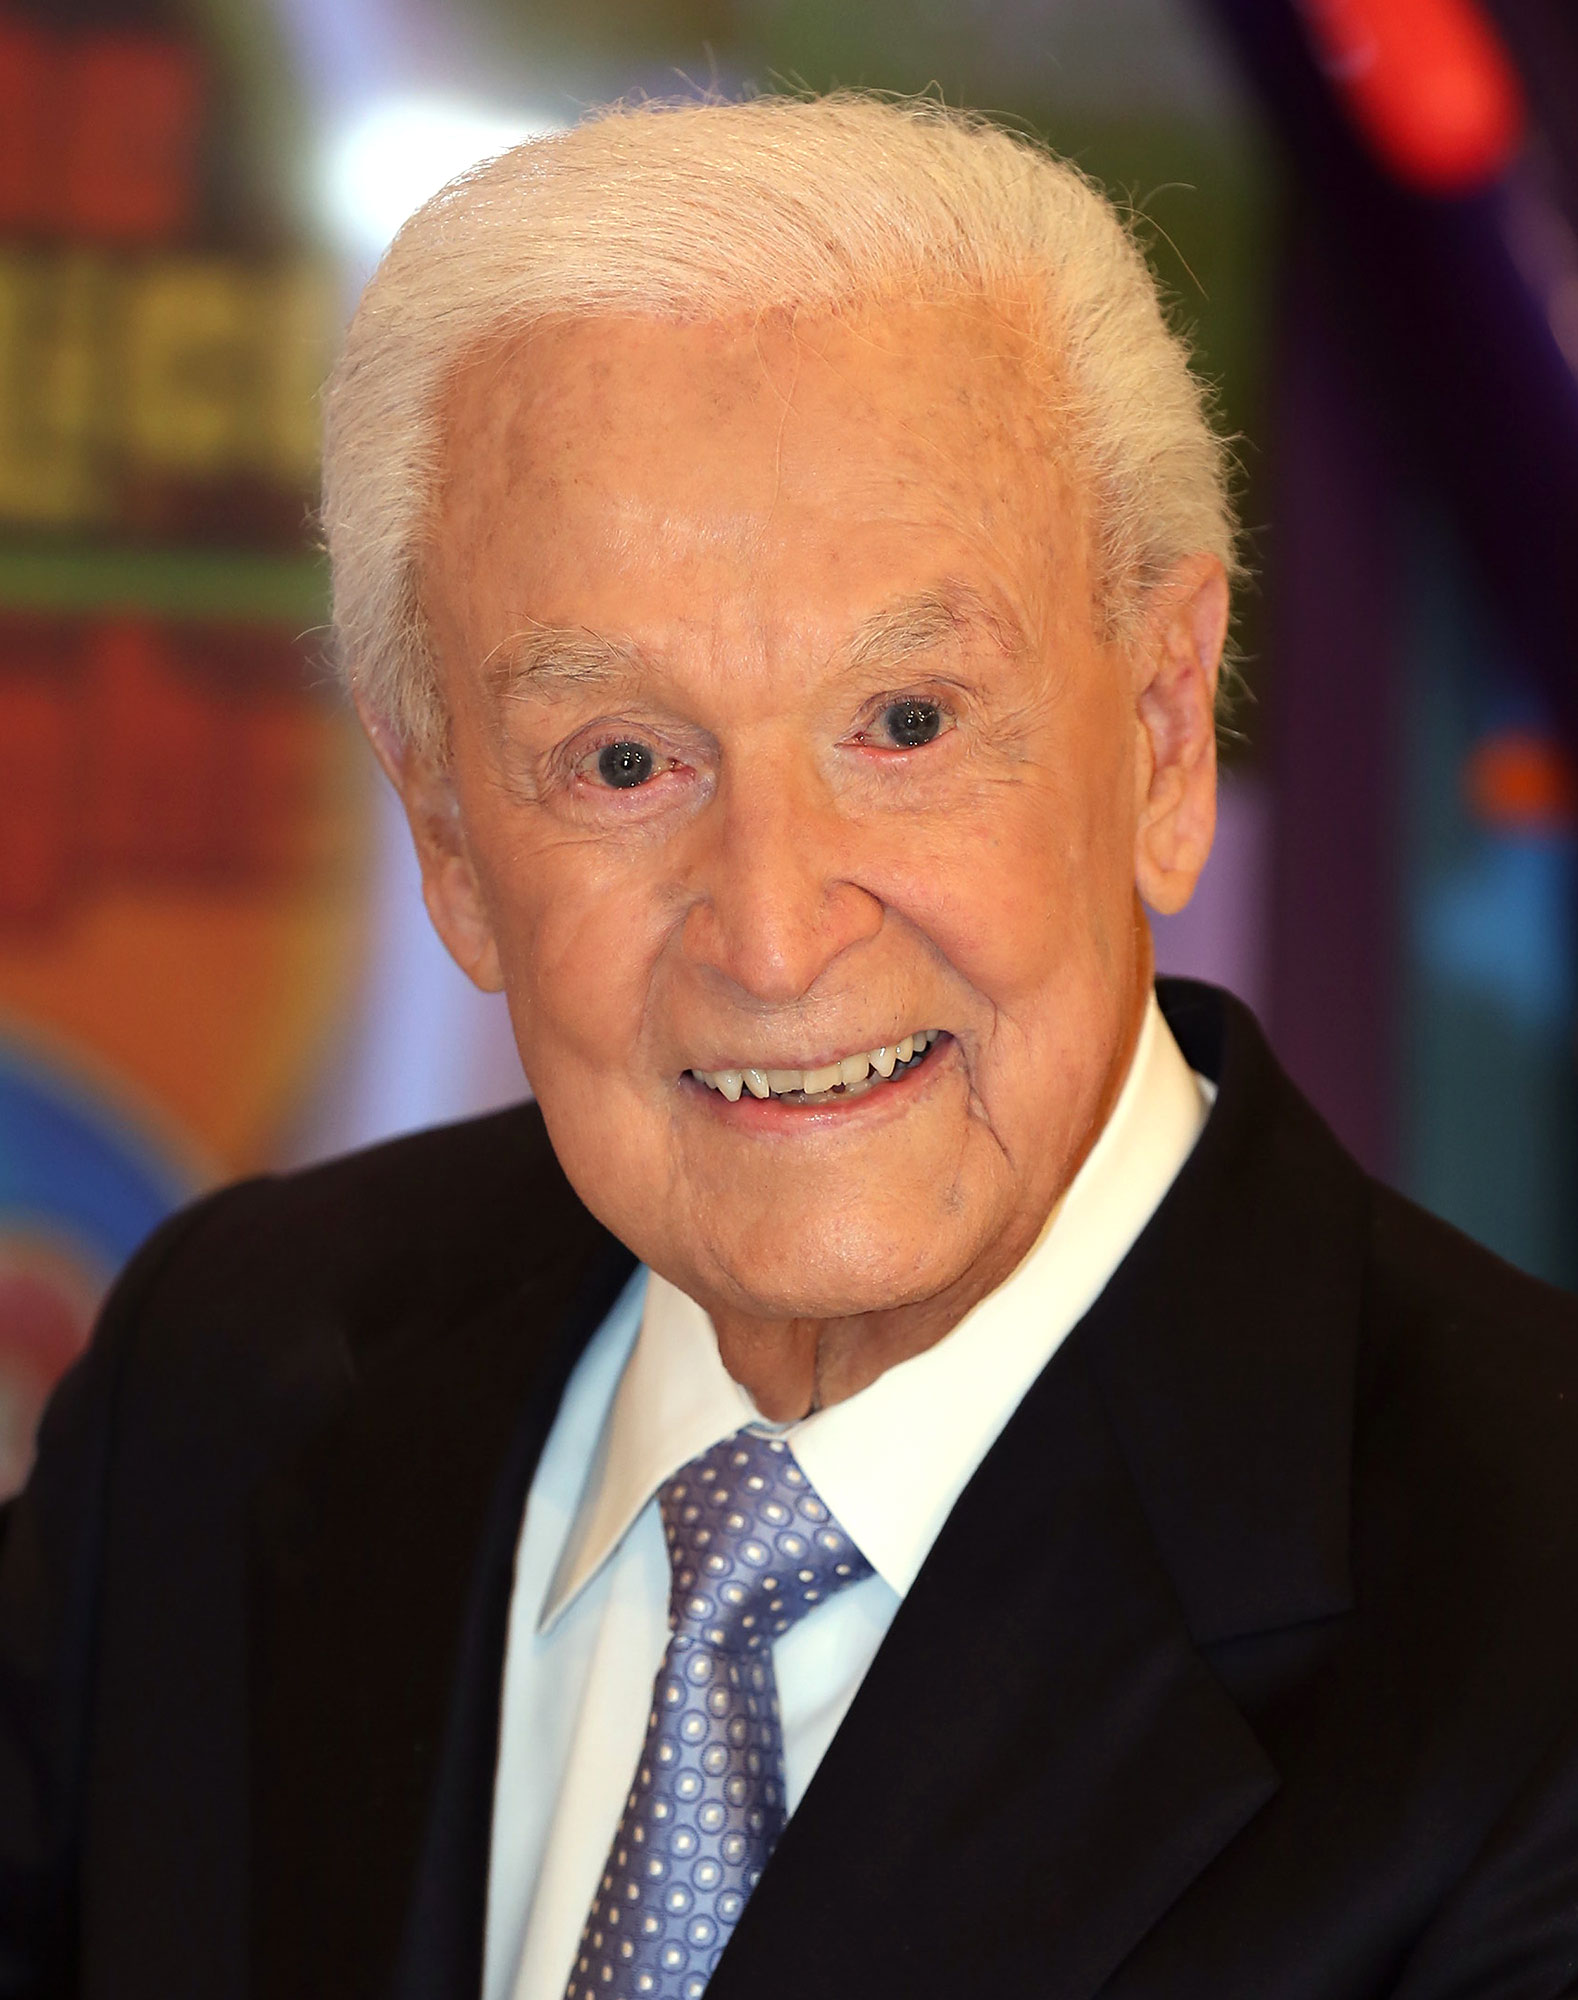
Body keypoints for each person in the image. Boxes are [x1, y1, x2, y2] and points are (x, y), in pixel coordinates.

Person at [3, 93, 1577, 2000]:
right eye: (620, 760)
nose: (769, 934)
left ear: (1161, 735)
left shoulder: (1533, 1629)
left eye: (905, 723)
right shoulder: (222, 1379)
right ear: (447, 839)